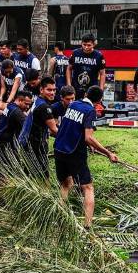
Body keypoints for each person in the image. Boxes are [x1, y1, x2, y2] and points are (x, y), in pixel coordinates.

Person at [53, 85, 118, 228]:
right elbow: (88, 137)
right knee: (88, 188)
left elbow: (72, 127)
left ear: (86, 94)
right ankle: (87, 226)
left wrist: (89, 145)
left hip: (59, 149)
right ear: (99, 100)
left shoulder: (73, 104)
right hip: (74, 152)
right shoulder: (90, 111)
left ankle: (59, 217)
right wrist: (108, 153)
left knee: (66, 183)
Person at [19, 77, 61, 178]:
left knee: (29, 174)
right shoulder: (44, 107)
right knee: (43, 176)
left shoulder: (38, 100)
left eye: (54, 90)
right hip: (35, 145)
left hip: (28, 142)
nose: (52, 93)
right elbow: (54, 130)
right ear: (41, 90)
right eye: (49, 90)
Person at [0, 89, 33, 173]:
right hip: (3, 146)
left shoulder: (10, 105)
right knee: (9, 172)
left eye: (29, 105)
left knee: (11, 169)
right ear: (19, 100)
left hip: (1, 142)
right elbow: (28, 127)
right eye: (26, 104)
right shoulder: (17, 112)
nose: (28, 107)